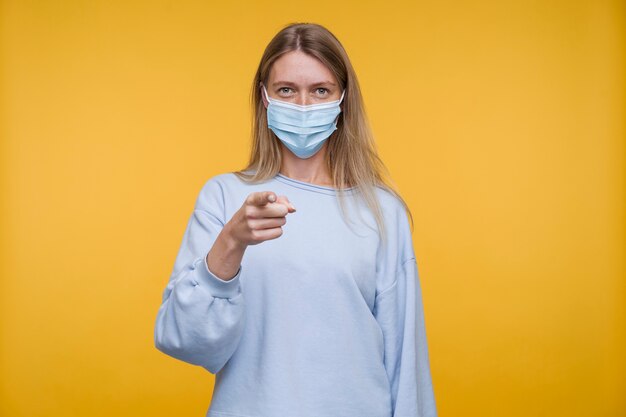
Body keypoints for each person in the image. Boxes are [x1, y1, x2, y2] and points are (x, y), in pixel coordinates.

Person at [154, 22, 437, 417]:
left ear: (343, 98)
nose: (303, 106)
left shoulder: (382, 211)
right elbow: (185, 341)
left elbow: (407, 366)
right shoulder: (224, 198)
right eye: (287, 90)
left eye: (320, 90)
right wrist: (230, 243)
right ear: (265, 97)